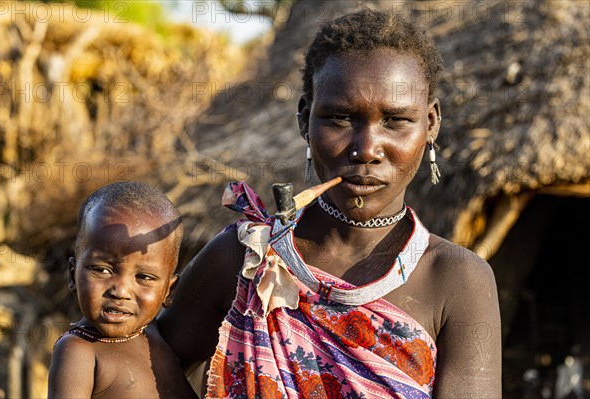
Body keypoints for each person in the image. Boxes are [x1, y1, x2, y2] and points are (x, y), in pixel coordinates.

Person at [159, 8, 501, 398]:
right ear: (305, 118)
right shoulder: (246, 258)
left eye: (396, 120)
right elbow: (135, 364)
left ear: (431, 123)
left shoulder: (457, 279)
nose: (367, 149)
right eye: (340, 118)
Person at [48, 181, 197, 398]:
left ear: (169, 291)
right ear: (72, 275)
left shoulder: (155, 335)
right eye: (102, 269)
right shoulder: (79, 351)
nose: (120, 291)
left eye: (144, 277)